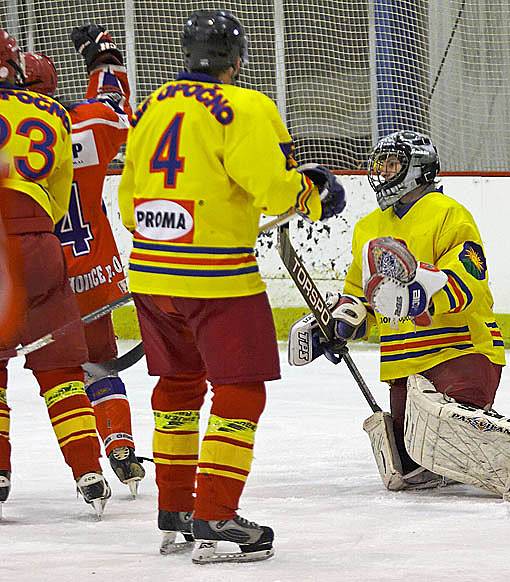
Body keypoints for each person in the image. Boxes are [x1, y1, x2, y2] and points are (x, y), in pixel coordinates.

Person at [117, 9, 345, 563]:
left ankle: (174, 509)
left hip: (149, 274)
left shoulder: (151, 105)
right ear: (237, 59)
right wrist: (315, 195)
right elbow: (272, 187)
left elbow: (127, 202)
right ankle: (215, 515)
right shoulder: (246, 106)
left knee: (177, 386)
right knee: (240, 391)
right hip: (217, 280)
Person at [290, 130, 510, 503]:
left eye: (393, 164)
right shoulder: (369, 227)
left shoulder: (448, 214)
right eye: (380, 164)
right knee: (409, 467)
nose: (383, 172)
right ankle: (486, 438)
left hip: (459, 351)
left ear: (418, 170)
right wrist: (342, 322)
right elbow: (363, 297)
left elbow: (470, 277)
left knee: (451, 430)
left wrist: (422, 298)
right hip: (404, 365)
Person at [23, 24, 146, 497]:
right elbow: (117, 106)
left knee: (60, 373)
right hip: (94, 270)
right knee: (100, 361)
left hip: (38, 276)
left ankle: (85, 471)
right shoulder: (87, 123)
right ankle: (119, 444)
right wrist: (102, 56)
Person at [0, 28, 111, 516]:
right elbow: (60, 187)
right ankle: (88, 470)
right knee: (63, 370)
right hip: (42, 243)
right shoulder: (52, 112)